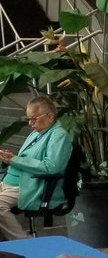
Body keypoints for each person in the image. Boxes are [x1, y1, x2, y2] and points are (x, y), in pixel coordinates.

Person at [0, 96, 73, 241]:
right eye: (29, 119)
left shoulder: (58, 135)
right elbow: (25, 160)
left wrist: (15, 160)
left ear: (50, 116)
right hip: (9, 183)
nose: (30, 123)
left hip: (29, 186)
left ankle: (24, 243)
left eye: (34, 119)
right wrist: (8, 159)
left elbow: (51, 167)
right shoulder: (36, 134)